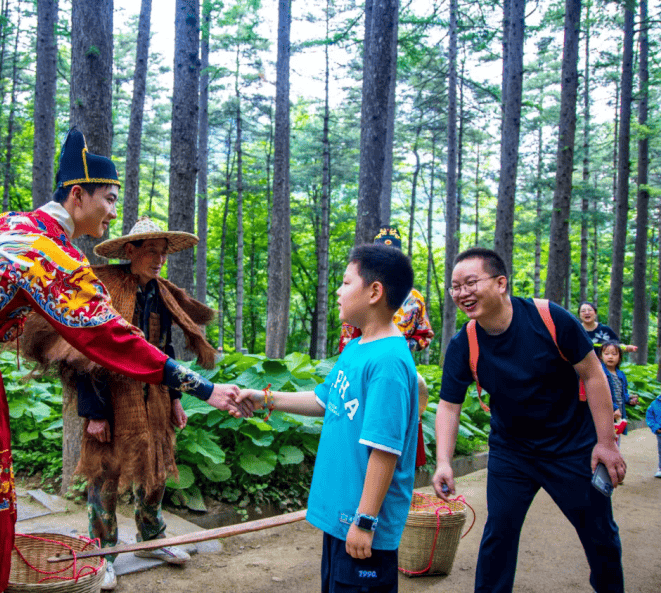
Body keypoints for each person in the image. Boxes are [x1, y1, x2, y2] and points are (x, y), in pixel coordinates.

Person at [0, 128, 250, 593]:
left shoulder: (4, 224)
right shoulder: (49, 255)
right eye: (110, 198)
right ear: (77, 195)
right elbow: (110, 338)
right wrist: (204, 388)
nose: (114, 212)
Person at [22, 217, 215, 589]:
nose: (159, 260)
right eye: (151, 251)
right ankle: (101, 554)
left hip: (153, 392)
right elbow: (82, 348)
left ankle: (152, 538)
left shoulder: (161, 292)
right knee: (104, 472)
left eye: (163, 252)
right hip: (107, 394)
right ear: (130, 251)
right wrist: (93, 412)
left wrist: (176, 399)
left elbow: (165, 349)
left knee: (156, 464)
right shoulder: (104, 287)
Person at [433, 247, 625, 593]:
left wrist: (607, 443)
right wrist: (444, 461)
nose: (462, 293)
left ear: (501, 283)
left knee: (600, 535)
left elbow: (594, 374)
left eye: (471, 282)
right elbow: (449, 405)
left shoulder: (549, 318)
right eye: (455, 287)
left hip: (572, 447)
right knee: (499, 534)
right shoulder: (465, 344)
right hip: (512, 452)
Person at [241, 244, 420, 593]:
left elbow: (385, 451)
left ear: (374, 291)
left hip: (362, 524)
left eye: (346, 281)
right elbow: (325, 400)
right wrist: (264, 398)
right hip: (341, 517)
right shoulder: (358, 347)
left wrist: (365, 521)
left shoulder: (388, 362)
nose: (338, 291)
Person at [338, 226, 433, 469]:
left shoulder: (414, 298)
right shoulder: (362, 291)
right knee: (362, 426)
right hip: (364, 363)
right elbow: (348, 334)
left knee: (392, 429)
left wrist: (404, 344)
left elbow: (425, 334)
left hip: (397, 362)